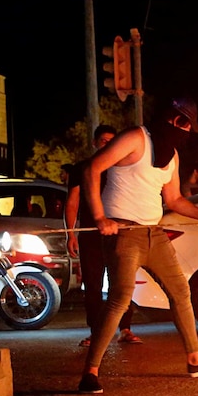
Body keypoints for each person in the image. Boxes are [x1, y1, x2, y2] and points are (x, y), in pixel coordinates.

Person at [77, 97, 198, 394]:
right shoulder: (135, 138)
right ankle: (90, 372)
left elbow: (174, 200)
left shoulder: (171, 156)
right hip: (124, 232)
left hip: (154, 233)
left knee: (180, 290)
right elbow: (92, 170)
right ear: (174, 119)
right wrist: (100, 217)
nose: (186, 132)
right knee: (120, 299)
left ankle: (196, 359)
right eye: (186, 124)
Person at [66, 124, 143, 348]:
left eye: (112, 141)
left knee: (122, 281)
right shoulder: (82, 169)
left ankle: (126, 328)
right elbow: (73, 202)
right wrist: (71, 233)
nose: (107, 145)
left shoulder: (122, 169)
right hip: (91, 236)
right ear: (94, 143)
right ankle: (96, 331)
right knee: (92, 284)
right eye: (103, 141)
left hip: (119, 235)